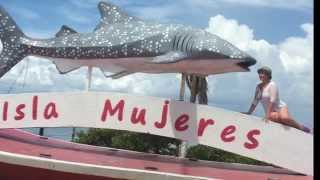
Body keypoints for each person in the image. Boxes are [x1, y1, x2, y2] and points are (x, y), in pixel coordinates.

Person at [242, 66, 310, 133]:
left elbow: (273, 100)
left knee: (284, 118)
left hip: (280, 107)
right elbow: (255, 100)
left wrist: (267, 115)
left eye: (263, 73)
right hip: (271, 111)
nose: (260, 75)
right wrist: (249, 112)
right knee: (280, 120)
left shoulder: (272, 84)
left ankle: (301, 127)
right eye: (259, 73)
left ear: (268, 75)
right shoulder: (258, 86)